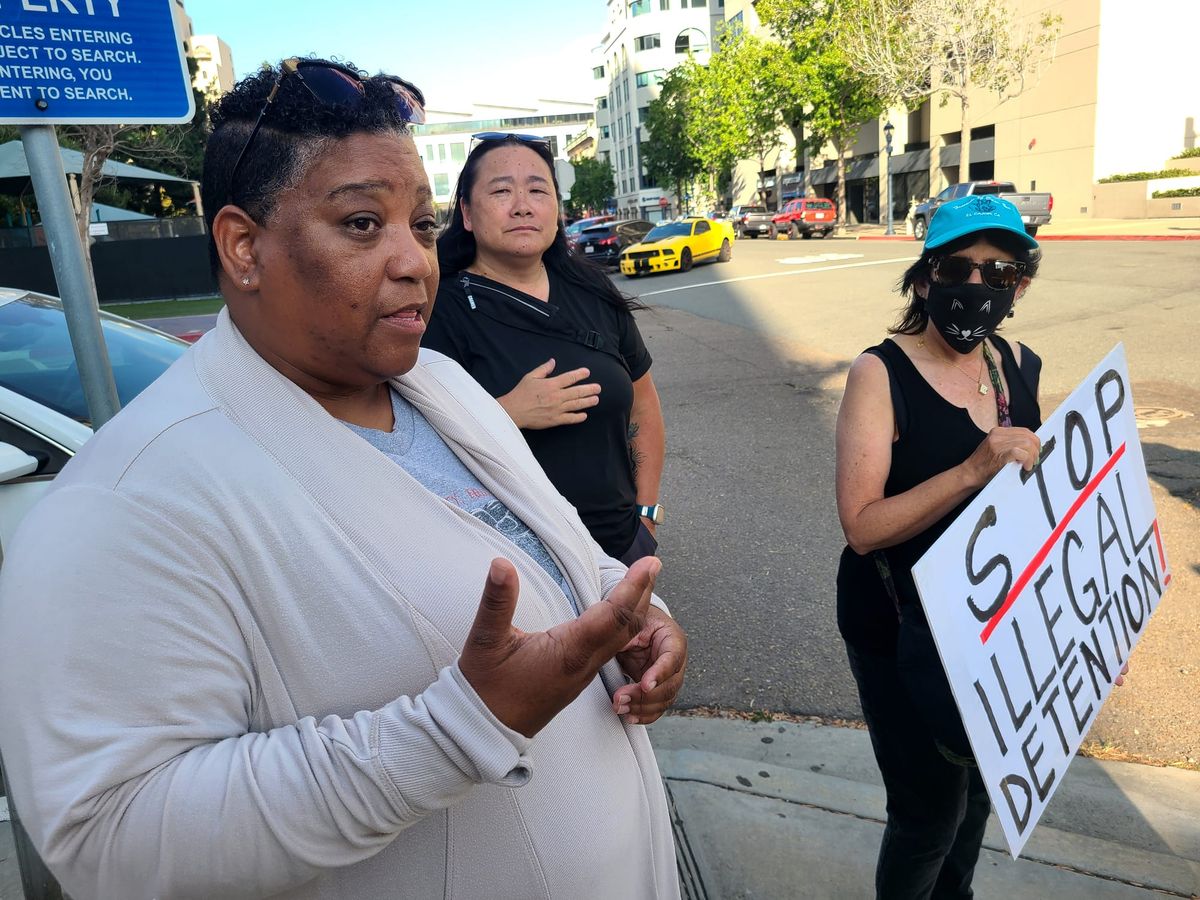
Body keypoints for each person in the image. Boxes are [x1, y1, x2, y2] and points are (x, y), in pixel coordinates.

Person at [0, 59, 686, 900]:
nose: (414, 263)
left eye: (424, 225)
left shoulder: (442, 384)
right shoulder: (127, 500)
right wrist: (456, 729)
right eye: (363, 224)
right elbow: (107, 836)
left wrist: (632, 615)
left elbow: (559, 553)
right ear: (243, 247)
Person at [834, 194, 1045, 899]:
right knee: (928, 812)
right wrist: (971, 470)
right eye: (959, 268)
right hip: (900, 628)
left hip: (989, 619)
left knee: (982, 790)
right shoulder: (879, 374)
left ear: (1020, 284)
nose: (977, 288)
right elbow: (861, 526)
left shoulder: (1015, 362)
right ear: (925, 279)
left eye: (1000, 273)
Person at [423, 134, 666, 566]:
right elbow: (415, 449)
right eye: (501, 191)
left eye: (538, 190)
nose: (522, 205)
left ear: (556, 208)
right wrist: (505, 414)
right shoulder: (438, 309)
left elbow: (644, 405)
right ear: (467, 213)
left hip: (621, 547)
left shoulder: (592, 290)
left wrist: (645, 518)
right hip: (514, 565)